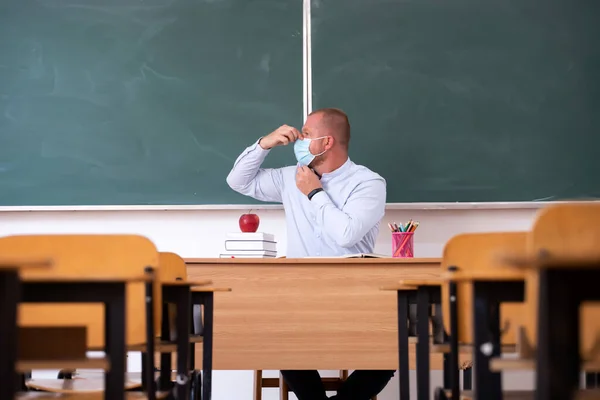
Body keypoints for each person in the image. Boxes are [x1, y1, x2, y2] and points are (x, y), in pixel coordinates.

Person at [226, 108, 395, 400]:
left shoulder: (368, 183)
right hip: (300, 297)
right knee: (278, 339)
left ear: (326, 142)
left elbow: (346, 234)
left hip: (353, 299)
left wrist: (315, 193)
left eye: (306, 134)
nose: (299, 139)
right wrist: (263, 144)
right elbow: (238, 181)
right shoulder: (291, 178)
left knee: (390, 353)